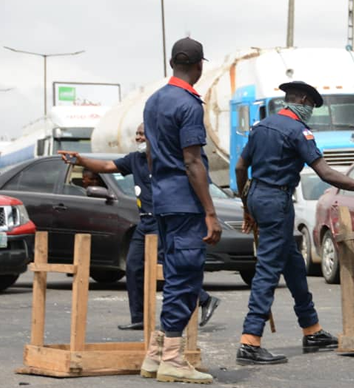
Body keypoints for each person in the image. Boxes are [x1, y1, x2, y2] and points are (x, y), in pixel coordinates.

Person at [234, 81, 354, 365]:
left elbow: (239, 167)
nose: (310, 111)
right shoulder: (298, 131)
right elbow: (326, 173)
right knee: (268, 271)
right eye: (311, 106)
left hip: (259, 196)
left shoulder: (261, 127)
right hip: (277, 201)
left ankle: (312, 330)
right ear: (303, 101)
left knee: (294, 264)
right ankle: (250, 341)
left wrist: (247, 206)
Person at [58, 123, 221, 332]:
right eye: (137, 134)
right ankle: (139, 318)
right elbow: (107, 167)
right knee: (134, 267)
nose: (139, 138)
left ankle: (203, 298)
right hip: (144, 223)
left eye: (143, 134)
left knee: (168, 267)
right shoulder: (134, 160)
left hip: (163, 221)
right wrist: (81, 160)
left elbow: (195, 177)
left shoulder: (168, 160)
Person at [139, 37, 220, 384]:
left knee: (175, 277)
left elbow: (152, 157)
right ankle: (172, 358)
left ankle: (156, 356)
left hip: (163, 202)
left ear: (173, 63)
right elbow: (192, 161)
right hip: (185, 204)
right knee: (185, 280)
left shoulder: (153, 101)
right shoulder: (188, 104)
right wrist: (211, 212)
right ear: (199, 66)